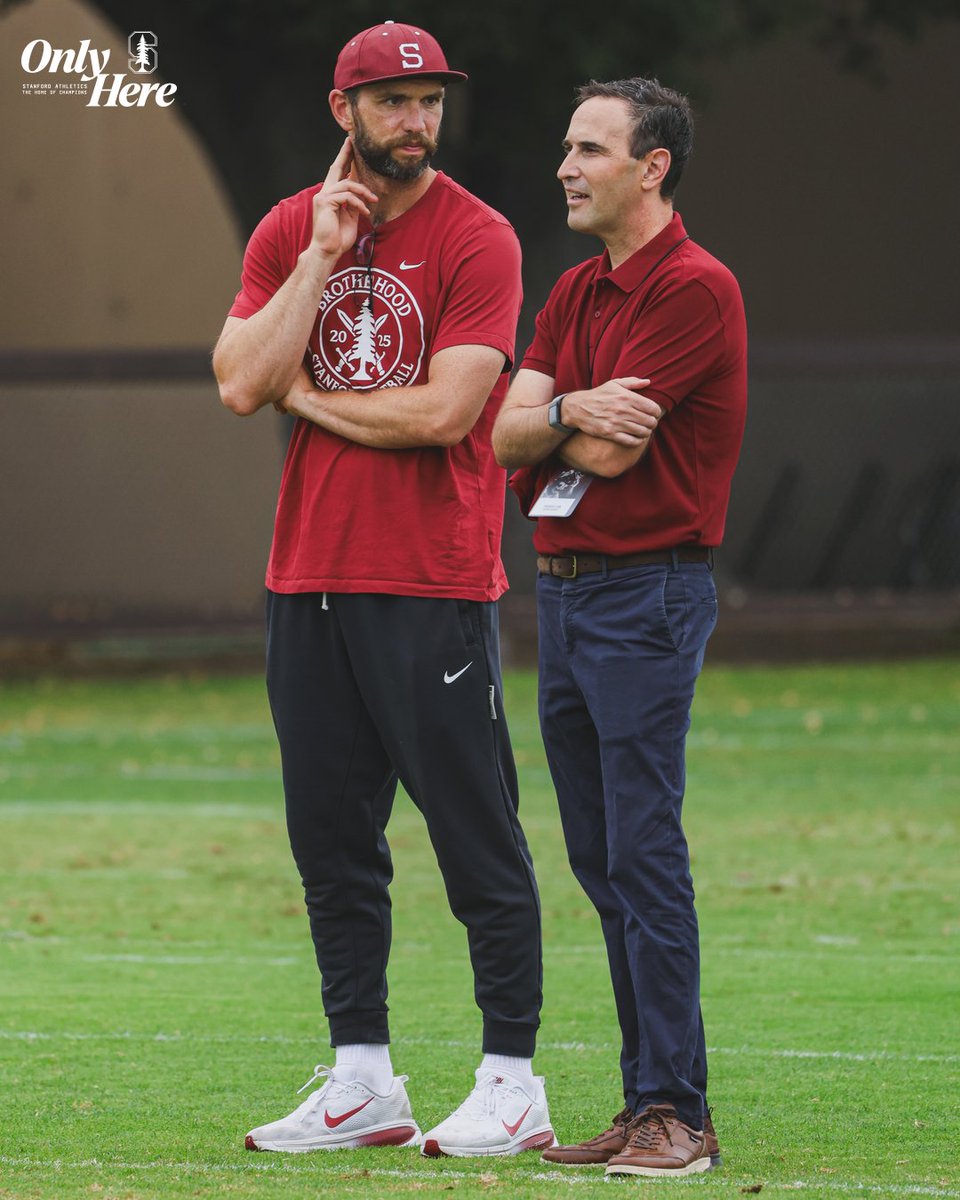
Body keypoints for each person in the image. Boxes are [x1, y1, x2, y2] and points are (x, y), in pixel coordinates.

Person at [213, 20, 553, 1159]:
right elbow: (236, 382)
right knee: (330, 842)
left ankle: (513, 1079)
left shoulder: (480, 238)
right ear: (343, 110)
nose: (416, 120)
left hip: (431, 581)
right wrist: (317, 256)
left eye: (430, 101)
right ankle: (363, 1077)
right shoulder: (283, 230)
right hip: (305, 576)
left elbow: (445, 414)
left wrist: (305, 401)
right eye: (394, 100)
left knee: (476, 836)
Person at [492, 77, 747, 1177]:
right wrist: (562, 410)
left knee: (643, 851)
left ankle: (675, 1115)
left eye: (590, 148)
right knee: (601, 858)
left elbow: (610, 454)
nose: (566, 166)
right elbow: (507, 438)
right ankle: (646, 1100)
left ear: (653, 166)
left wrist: (560, 423)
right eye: (566, 146)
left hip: (648, 594)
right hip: (567, 590)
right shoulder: (574, 290)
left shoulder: (696, 289)